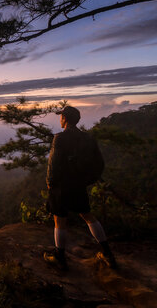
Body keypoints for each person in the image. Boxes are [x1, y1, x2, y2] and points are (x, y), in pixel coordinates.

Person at [43, 106, 117, 270]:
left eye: (61, 116)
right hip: (78, 184)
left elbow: (53, 164)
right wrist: (87, 180)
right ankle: (107, 253)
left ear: (65, 119)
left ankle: (60, 257)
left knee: (59, 219)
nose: (60, 119)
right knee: (88, 216)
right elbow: (100, 163)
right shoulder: (88, 138)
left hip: (61, 185)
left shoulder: (60, 138)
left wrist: (50, 182)